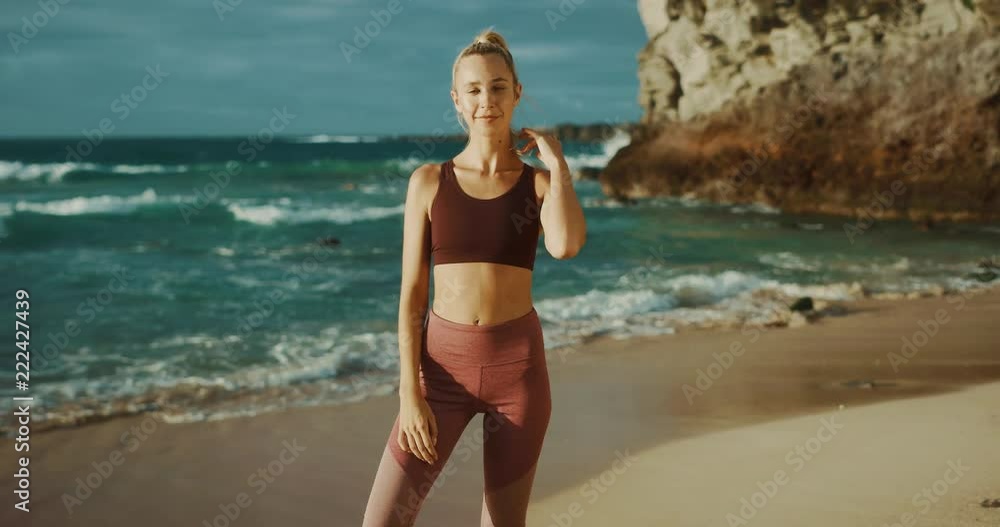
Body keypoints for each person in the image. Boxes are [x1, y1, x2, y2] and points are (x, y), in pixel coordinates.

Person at [362, 26, 587, 527]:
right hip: (440, 373)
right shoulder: (427, 182)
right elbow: (412, 296)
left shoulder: (539, 184)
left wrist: (559, 164)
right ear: (457, 101)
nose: (487, 100)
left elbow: (566, 245)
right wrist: (409, 391)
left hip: (519, 373)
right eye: (474, 90)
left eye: (498, 86)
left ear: (517, 92)